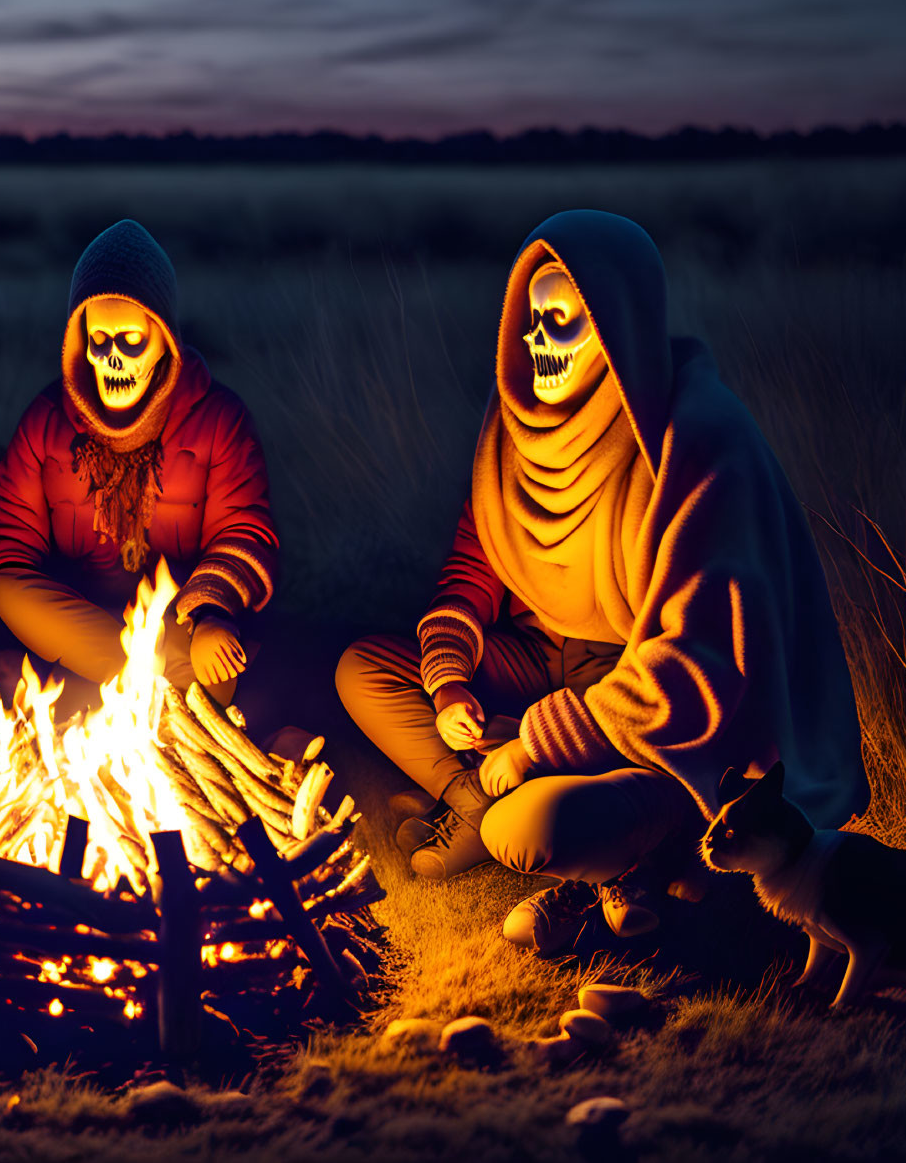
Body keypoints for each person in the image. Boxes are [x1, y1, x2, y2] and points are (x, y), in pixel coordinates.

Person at [337, 210, 868, 950]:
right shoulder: (516, 423)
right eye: (530, 320)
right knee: (362, 670)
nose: (534, 340)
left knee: (525, 828)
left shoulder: (697, 444)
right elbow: (473, 564)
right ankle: (471, 799)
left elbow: (689, 668)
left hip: (644, 707)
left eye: (562, 322)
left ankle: (640, 840)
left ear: (619, 323)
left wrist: (529, 748)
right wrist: (451, 676)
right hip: (529, 663)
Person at [0, 219, 280, 722]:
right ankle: (161, 698)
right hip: (77, 619)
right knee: (7, 590)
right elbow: (9, 543)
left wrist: (209, 614)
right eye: (98, 340)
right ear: (79, 344)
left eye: (130, 341)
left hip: (179, 622)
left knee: (220, 674)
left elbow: (244, 531)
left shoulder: (218, 419)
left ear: (165, 341)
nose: (112, 357)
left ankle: (97, 697)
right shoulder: (45, 422)